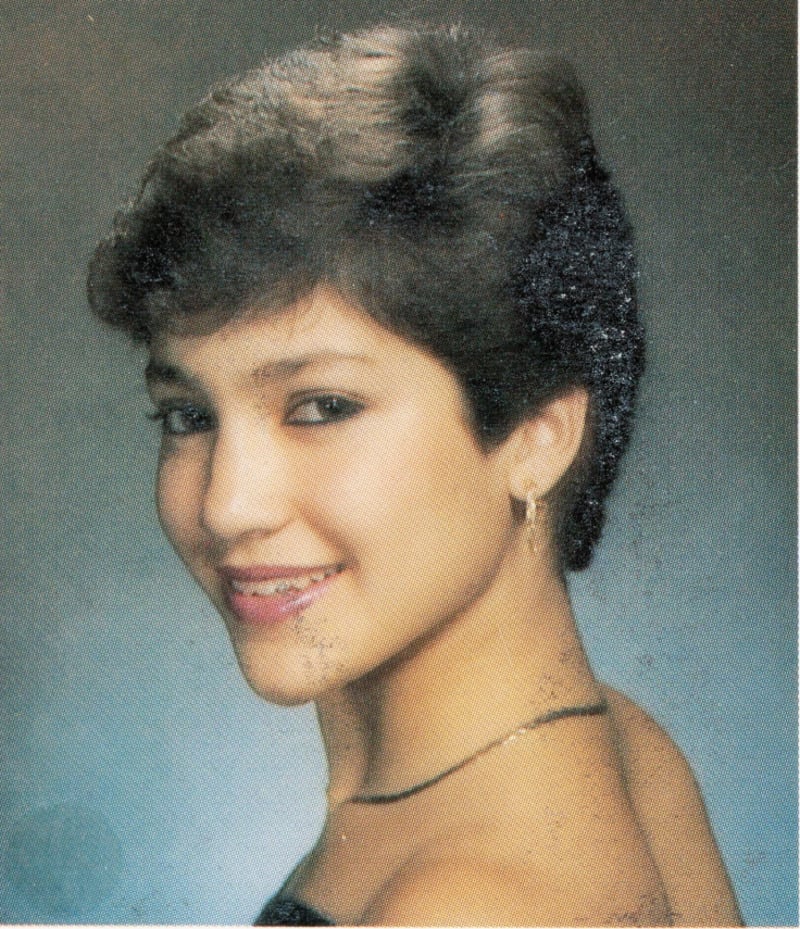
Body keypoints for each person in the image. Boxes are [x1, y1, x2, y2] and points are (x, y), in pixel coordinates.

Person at [88, 23, 741, 927]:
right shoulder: (627, 748)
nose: (227, 504)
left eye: (321, 407)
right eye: (188, 416)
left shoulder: (469, 905)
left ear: (537, 435)